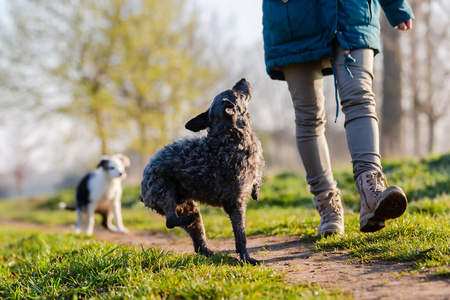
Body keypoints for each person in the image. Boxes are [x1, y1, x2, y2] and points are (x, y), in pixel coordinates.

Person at [262, 0, 414, 235]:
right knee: (308, 115)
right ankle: (327, 205)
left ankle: (371, 191)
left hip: (351, 11)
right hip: (294, 16)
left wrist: (395, 5)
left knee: (360, 97)